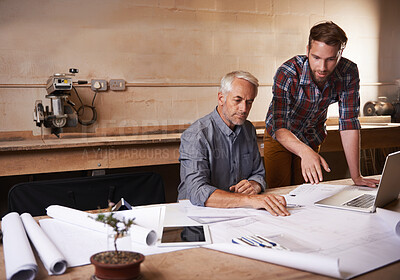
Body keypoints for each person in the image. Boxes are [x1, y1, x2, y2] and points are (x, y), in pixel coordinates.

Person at [264, 21, 379, 188]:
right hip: (281, 136)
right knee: (280, 191)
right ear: (307, 51)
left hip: (312, 136)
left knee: (305, 192)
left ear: (340, 53)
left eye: (331, 59)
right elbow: (279, 126)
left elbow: (349, 123)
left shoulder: (349, 72)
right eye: (316, 58)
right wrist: (304, 151)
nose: (322, 67)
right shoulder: (287, 73)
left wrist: (357, 176)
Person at [178, 71, 290, 217]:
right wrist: (250, 200)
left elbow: (258, 174)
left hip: (239, 213)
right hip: (198, 216)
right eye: (237, 100)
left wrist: (254, 186)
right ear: (221, 98)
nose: (244, 109)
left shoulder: (248, 129)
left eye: (249, 102)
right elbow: (198, 192)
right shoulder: (196, 135)